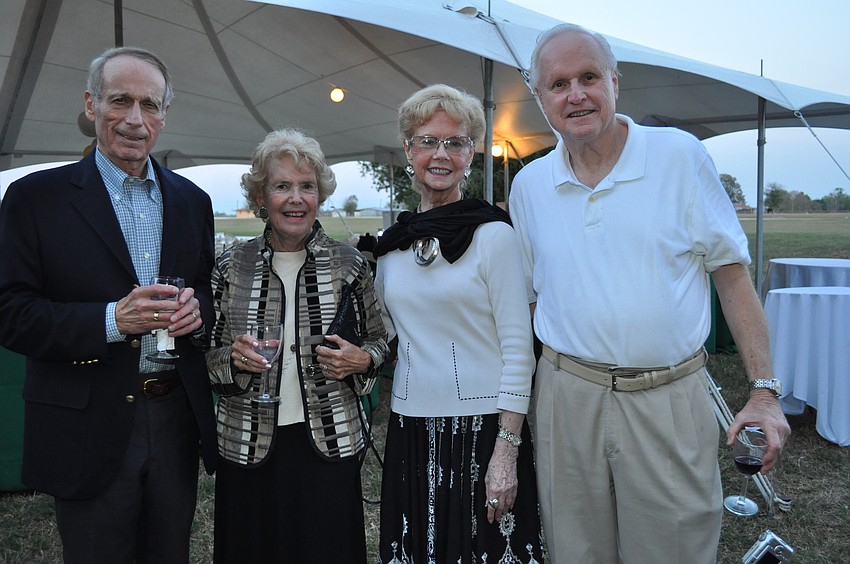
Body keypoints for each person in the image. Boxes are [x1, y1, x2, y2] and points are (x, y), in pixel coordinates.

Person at [509, 24, 791, 563]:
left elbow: (731, 278)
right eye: (559, 83)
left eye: (589, 77)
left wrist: (763, 392)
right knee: (575, 549)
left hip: (666, 397)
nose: (576, 94)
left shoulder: (678, 157)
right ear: (541, 98)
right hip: (567, 400)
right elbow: (530, 301)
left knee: (675, 547)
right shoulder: (529, 186)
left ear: (615, 81)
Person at [0, 46, 217, 562]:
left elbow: (206, 288)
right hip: (86, 423)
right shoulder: (35, 198)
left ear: (165, 115)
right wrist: (112, 320)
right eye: (120, 100)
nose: (135, 120)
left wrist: (198, 312)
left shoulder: (193, 201)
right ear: (91, 105)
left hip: (174, 419)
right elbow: (10, 312)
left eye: (150, 105)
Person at [373, 84, 545, 564]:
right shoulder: (393, 244)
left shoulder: (494, 237)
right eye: (428, 141)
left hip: (484, 429)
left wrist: (506, 450)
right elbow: (389, 335)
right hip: (409, 425)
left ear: (472, 153)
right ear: (408, 149)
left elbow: (519, 349)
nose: (441, 154)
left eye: (455, 142)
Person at [205, 128, 388, 563]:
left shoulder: (350, 264)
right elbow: (206, 356)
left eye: (307, 186)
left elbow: (381, 341)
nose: (296, 198)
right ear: (262, 196)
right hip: (247, 440)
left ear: (320, 195)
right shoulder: (231, 265)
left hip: (329, 441)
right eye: (282, 186)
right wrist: (230, 360)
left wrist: (363, 360)